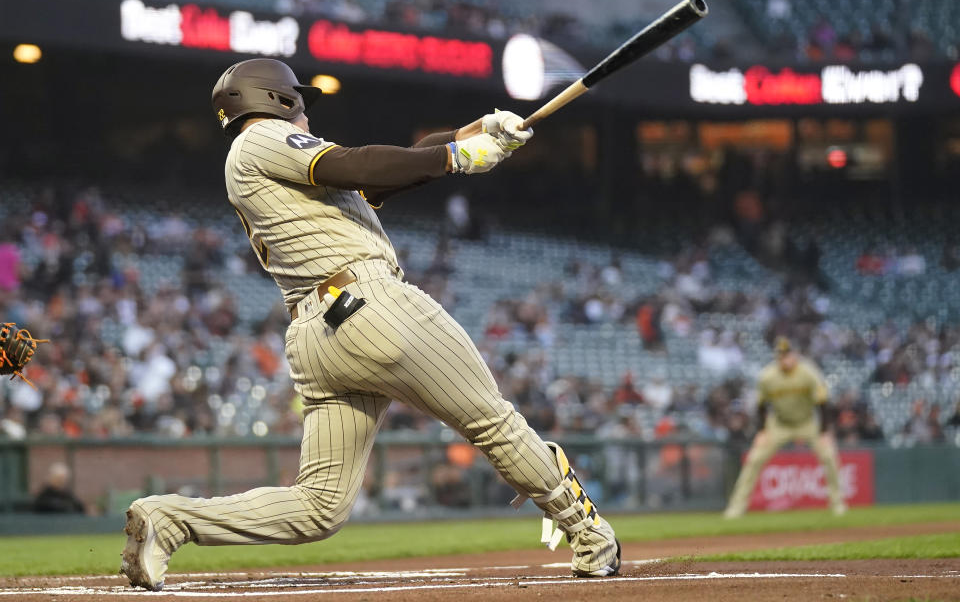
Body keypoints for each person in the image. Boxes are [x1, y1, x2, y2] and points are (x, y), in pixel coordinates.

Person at [119, 59, 620, 591]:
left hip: (318, 335)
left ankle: (171, 520)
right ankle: (589, 535)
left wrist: (472, 133)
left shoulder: (274, 170)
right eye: (299, 100)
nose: (306, 112)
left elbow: (385, 171)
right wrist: (456, 157)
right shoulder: (262, 139)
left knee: (319, 508)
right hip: (368, 304)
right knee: (494, 423)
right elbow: (359, 164)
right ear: (277, 100)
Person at [723, 337, 846, 518]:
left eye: (787, 355)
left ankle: (838, 504)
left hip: (807, 422)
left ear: (795, 355)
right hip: (779, 424)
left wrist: (824, 431)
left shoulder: (808, 373)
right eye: (781, 356)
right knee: (754, 459)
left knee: (829, 455)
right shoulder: (768, 376)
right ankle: (736, 507)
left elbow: (823, 403)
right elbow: (761, 406)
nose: (784, 359)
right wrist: (762, 431)